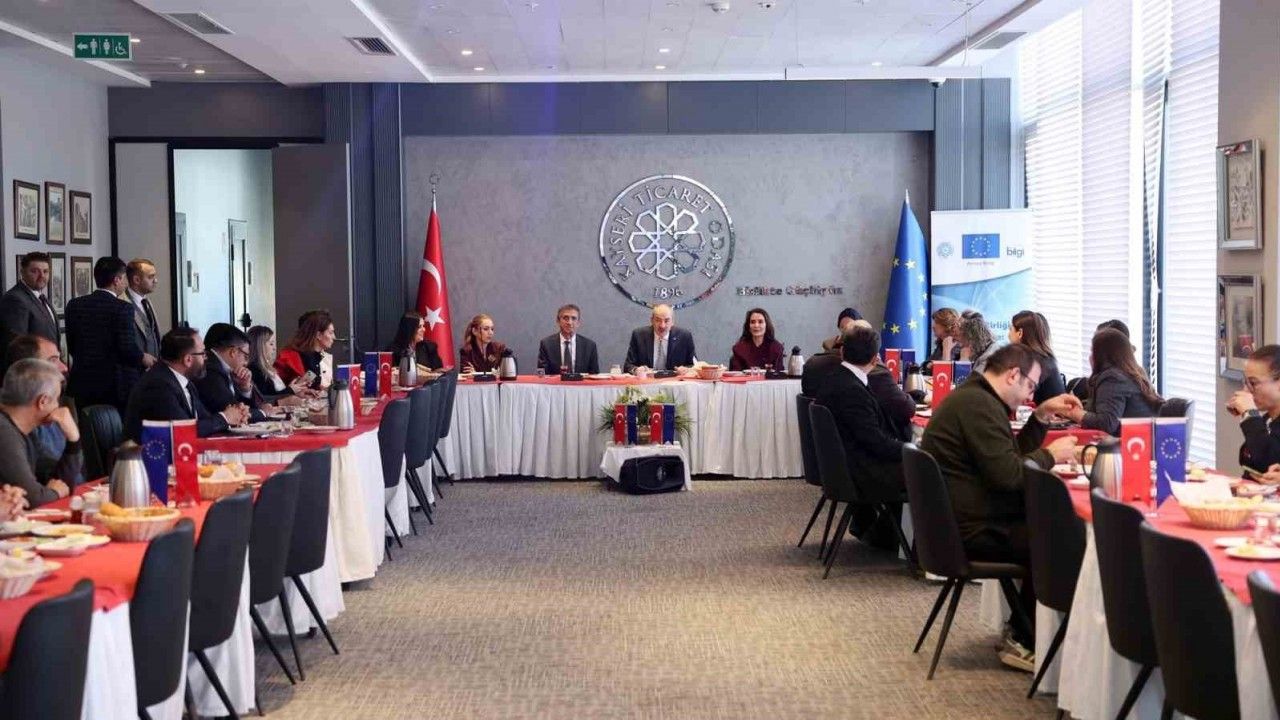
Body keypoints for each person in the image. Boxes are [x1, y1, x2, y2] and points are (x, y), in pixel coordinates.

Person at [920, 343, 1082, 672]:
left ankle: (1026, 631)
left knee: (1050, 529)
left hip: (958, 521)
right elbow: (1010, 477)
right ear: (1012, 375)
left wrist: (1039, 417)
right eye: (1031, 387)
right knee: (1060, 540)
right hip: (973, 529)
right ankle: (1025, 638)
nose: (1030, 396)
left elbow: (1008, 458)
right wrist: (1051, 455)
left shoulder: (975, 398)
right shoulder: (979, 407)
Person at [813, 324, 908, 549]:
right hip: (860, 472)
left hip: (843, 466)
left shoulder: (834, 379)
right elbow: (876, 443)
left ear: (842, 352)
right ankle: (911, 545)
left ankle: (883, 533)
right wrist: (912, 450)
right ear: (875, 359)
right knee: (928, 470)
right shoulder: (852, 390)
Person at [124, 327, 248, 440]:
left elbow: (205, 420)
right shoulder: (158, 385)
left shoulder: (185, 383)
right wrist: (225, 418)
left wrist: (235, 415)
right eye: (203, 353)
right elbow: (182, 430)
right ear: (188, 360)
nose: (206, 358)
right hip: (152, 456)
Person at [65, 257, 151, 410]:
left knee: (88, 423)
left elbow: (71, 345)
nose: (126, 283)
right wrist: (143, 357)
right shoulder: (123, 308)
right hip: (116, 385)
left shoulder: (74, 305)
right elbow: (126, 348)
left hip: (83, 382)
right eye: (124, 278)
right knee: (116, 424)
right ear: (116, 280)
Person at [5, 334, 83, 486]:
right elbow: (42, 490)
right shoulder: (14, 426)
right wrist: (74, 441)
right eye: (53, 360)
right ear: (29, 369)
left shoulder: (51, 411)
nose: (64, 367)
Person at [0, 359, 75, 506]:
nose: (58, 406)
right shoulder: (4, 433)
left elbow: (58, 482)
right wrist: (54, 493)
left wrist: (73, 441)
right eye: (57, 399)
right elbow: (34, 498)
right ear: (43, 401)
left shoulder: (27, 431)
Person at [1061, 329, 1162, 436]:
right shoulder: (1133, 372)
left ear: (1101, 355)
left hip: (1132, 441)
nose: (1090, 357)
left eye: (1092, 351)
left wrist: (1073, 413)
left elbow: (1107, 423)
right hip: (1145, 438)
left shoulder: (1113, 378)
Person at [196, 323, 270, 422]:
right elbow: (232, 411)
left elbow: (242, 406)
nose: (246, 363)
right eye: (246, 356)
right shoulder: (210, 370)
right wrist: (263, 412)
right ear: (233, 352)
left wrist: (244, 388)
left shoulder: (227, 369)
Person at [1229, 344, 1280, 474]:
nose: (1246, 390)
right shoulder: (1267, 419)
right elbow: (1246, 459)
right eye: (1246, 383)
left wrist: (1250, 414)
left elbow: (1266, 464)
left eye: (1253, 383)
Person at [0, 252, 60, 348]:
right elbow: (18, 345)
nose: (42, 276)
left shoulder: (42, 298)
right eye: (35, 271)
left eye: (45, 271)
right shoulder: (15, 299)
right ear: (22, 273)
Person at [1008, 310, 1066, 404]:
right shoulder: (1044, 359)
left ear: (1020, 333)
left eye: (1010, 329)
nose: (1008, 335)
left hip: (1043, 412)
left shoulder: (1031, 364)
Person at [624, 304, 696, 372]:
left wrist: (686, 369)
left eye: (666, 321)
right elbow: (628, 366)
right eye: (658, 320)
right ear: (652, 321)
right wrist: (636, 370)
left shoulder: (684, 336)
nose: (662, 326)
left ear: (672, 322)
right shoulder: (639, 335)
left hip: (674, 380)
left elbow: (694, 365)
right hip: (647, 379)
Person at [275, 310, 336, 390]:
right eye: (331, 333)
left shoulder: (316, 356)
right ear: (318, 335)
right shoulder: (290, 357)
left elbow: (311, 385)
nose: (334, 337)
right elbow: (297, 388)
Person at [536, 304, 600, 375]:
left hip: (580, 382)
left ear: (578, 323)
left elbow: (594, 375)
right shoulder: (546, 344)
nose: (569, 322)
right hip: (555, 382)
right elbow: (542, 375)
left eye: (573, 318)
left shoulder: (589, 346)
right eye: (566, 318)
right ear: (558, 321)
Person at [124, 258, 162, 359]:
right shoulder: (122, 303)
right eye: (151, 277)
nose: (155, 280)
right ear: (136, 280)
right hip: (134, 365)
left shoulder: (146, 301)